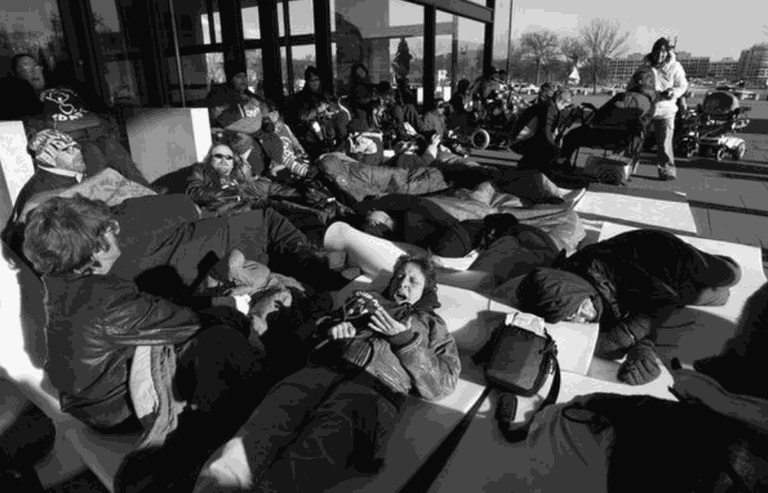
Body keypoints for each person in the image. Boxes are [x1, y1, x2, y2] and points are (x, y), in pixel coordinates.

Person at [22, 195, 265, 490]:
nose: (116, 230)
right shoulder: (103, 300)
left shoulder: (66, 286)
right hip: (113, 406)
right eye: (108, 228)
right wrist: (234, 307)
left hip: (90, 395)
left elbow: (150, 314)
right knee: (217, 341)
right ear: (96, 251)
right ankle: (227, 443)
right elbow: (186, 323)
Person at [193, 253, 460, 492]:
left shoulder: (432, 325)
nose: (402, 283)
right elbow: (311, 331)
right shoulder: (363, 300)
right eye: (400, 276)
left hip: (370, 392)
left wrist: (405, 341)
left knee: (308, 461)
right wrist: (330, 329)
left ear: (426, 290)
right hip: (318, 371)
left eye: (413, 281)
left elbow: (443, 383)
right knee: (254, 434)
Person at [516, 229, 742, 386]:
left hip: (660, 254)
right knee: (720, 296)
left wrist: (624, 339)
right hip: (656, 286)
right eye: (573, 318)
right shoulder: (585, 297)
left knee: (728, 278)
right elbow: (633, 318)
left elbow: (656, 309)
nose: (584, 318)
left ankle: (715, 261)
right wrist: (642, 355)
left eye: (581, 308)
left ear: (581, 290)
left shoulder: (606, 276)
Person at [557, 66, 657, 167]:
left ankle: (563, 161)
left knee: (571, 136)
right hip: (625, 140)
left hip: (603, 136)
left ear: (638, 82)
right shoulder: (651, 105)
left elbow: (602, 114)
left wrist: (594, 114)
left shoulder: (623, 97)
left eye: (631, 79)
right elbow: (643, 124)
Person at [643, 37, 688, 181]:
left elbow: (682, 86)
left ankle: (667, 170)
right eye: (657, 51)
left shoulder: (675, 66)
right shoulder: (645, 66)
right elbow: (633, 83)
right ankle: (628, 166)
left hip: (666, 111)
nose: (660, 55)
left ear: (667, 53)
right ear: (653, 52)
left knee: (664, 143)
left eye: (663, 52)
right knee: (637, 139)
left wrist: (673, 93)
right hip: (646, 110)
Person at [186, 143, 271, 217]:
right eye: (218, 156)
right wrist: (234, 193)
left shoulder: (237, 180)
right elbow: (194, 193)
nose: (224, 160)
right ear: (210, 159)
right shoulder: (200, 170)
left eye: (228, 157)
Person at [290, 66, 349, 158]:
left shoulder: (325, 95)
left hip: (329, 134)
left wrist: (331, 110)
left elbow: (336, 107)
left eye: (316, 79)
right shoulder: (300, 98)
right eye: (311, 80)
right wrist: (318, 110)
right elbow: (302, 117)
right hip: (311, 137)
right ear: (307, 81)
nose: (314, 83)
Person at [512, 87, 574, 171]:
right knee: (551, 151)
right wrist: (555, 148)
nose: (565, 108)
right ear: (562, 101)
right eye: (566, 105)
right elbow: (545, 131)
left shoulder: (548, 104)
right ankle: (536, 172)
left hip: (521, 136)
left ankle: (526, 166)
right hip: (521, 140)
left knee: (547, 147)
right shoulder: (549, 108)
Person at [347, 64, 380, 131]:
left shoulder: (369, 85)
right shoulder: (355, 87)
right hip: (360, 116)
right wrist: (371, 99)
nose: (360, 74)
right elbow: (358, 100)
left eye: (362, 71)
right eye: (358, 72)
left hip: (370, 115)